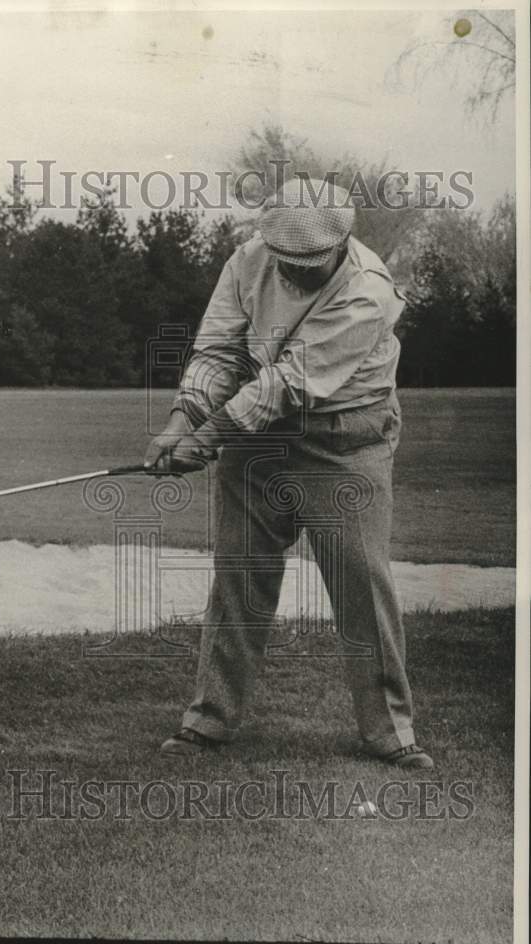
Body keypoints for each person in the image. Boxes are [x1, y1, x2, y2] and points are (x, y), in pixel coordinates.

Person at [144, 176, 433, 769]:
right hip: (257, 438)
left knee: (361, 581)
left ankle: (390, 731)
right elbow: (219, 351)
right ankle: (209, 720)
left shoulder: (367, 290)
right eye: (286, 260)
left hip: (345, 439)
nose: (295, 271)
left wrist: (207, 437)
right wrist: (179, 421)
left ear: (341, 244)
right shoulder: (248, 261)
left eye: (310, 262)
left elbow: (289, 382)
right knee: (239, 576)